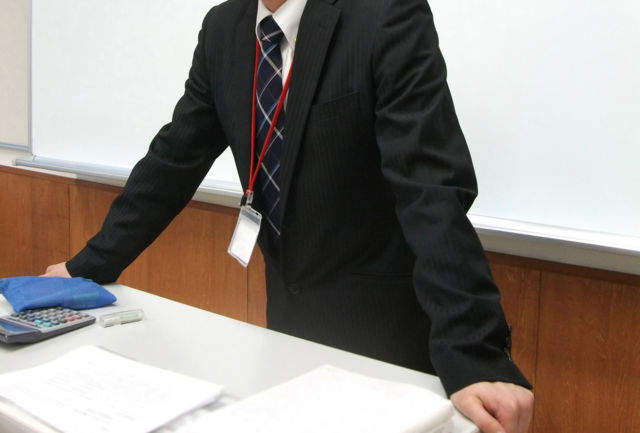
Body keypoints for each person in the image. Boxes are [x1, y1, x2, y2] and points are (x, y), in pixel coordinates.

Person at [44, 0, 534, 431]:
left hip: (387, 343)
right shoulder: (224, 29)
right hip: (288, 334)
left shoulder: (385, 15)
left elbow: (431, 190)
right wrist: (87, 268)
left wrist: (476, 354)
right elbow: (173, 162)